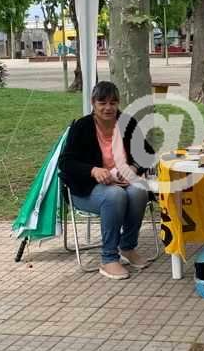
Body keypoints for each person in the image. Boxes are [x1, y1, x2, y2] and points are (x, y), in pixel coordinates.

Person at [58, 81, 154, 280]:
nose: (108, 108)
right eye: (102, 103)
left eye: (113, 102)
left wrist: (134, 168)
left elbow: (148, 153)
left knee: (139, 191)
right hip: (86, 189)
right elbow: (66, 162)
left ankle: (127, 247)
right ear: (93, 103)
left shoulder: (127, 123)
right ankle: (108, 258)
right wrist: (93, 170)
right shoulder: (82, 126)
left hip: (122, 183)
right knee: (115, 195)